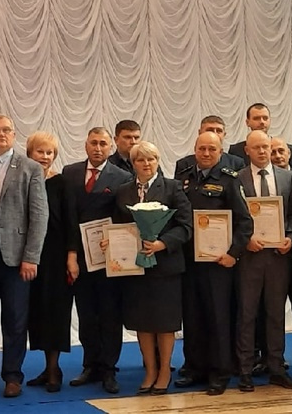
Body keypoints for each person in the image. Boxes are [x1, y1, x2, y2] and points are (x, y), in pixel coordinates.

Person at [105, 141, 192, 396]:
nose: (146, 164)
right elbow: (119, 225)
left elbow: (186, 226)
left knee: (164, 322)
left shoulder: (173, 187)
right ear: (133, 164)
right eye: (141, 160)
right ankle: (150, 371)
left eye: (151, 159)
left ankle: (165, 370)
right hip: (135, 268)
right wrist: (110, 241)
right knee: (142, 321)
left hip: (166, 267)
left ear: (158, 161)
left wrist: (162, 244)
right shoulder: (123, 191)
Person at [0, 115, 49, 398]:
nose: (1, 134)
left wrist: (32, 257)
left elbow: (39, 216)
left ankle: (13, 376)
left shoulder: (30, 168)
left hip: (16, 258)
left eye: (7, 130)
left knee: (15, 319)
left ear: (14, 135)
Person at [173, 131, 252, 395]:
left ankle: (220, 371)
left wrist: (233, 253)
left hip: (219, 263)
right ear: (195, 149)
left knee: (218, 317)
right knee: (192, 317)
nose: (206, 153)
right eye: (202, 148)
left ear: (220, 152)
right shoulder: (183, 177)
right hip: (189, 261)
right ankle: (195, 367)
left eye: (212, 149)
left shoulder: (230, 180)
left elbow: (245, 222)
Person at [61, 128, 131, 392]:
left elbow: (124, 216)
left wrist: (116, 240)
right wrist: (71, 254)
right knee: (87, 313)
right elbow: (68, 216)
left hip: (108, 256)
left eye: (103, 143)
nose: (98, 148)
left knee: (110, 315)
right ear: (86, 145)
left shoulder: (122, 176)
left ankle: (109, 369)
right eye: (94, 143)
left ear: (110, 146)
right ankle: (90, 365)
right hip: (79, 255)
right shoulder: (70, 173)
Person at [234, 131, 292, 392]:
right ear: (247, 150)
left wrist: (290, 238)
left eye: (267, 147)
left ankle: (277, 368)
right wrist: (244, 240)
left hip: (278, 257)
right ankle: (245, 371)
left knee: (276, 314)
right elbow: (232, 215)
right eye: (257, 147)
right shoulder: (237, 178)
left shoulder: (288, 177)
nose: (263, 152)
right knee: (247, 314)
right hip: (249, 257)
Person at [20, 132, 77, 393]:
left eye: (49, 152)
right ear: (29, 153)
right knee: (36, 313)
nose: (44, 157)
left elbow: (71, 222)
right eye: (40, 151)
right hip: (27, 257)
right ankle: (45, 367)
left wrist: (72, 257)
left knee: (56, 312)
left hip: (56, 257)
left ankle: (55, 369)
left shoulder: (62, 183)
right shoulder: (21, 180)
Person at [227, 103, 292, 170]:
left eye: (265, 118)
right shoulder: (236, 150)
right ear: (247, 122)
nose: (262, 122)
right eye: (257, 118)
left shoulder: (286, 148)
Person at [174, 116, 246, 174]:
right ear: (200, 132)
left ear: (224, 134)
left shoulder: (236, 164)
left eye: (219, 131)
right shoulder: (185, 164)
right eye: (210, 130)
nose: (215, 133)